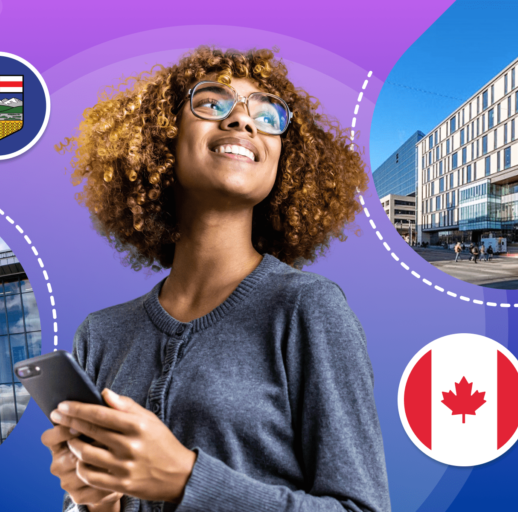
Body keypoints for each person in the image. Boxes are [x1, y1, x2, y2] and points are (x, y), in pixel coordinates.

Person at [46, 46, 390, 512]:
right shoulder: (101, 334)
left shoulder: (307, 309)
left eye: (267, 114)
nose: (243, 121)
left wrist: (187, 479)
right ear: (161, 137)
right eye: (212, 103)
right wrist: (97, 504)